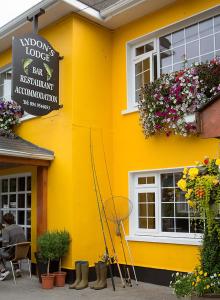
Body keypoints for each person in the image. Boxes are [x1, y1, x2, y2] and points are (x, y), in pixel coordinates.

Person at [0, 213, 26, 281]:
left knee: (3, 251)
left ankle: (3, 271)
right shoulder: (20, 227)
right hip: (22, 253)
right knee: (13, 248)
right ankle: (17, 269)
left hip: (12, 254)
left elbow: (5, 245)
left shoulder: (6, 230)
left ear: (5, 221)